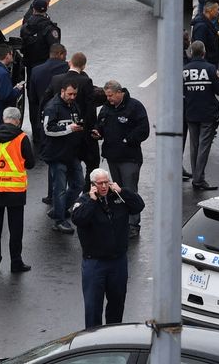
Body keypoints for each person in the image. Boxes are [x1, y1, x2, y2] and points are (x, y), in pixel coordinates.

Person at [71, 169, 145, 330]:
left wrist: (122, 191)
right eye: (100, 183)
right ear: (92, 185)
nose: (104, 186)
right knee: (93, 308)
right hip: (95, 263)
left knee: (117, 304)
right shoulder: (83, 201)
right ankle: (92, 341)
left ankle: (113, 337)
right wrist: (92, 200)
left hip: (118, 262)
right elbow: (79, 219)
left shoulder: (118, 197)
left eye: (106, 182)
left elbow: (139, 205)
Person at [0, 105, 35, 273]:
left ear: (3, 119)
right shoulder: (22, 138)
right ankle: (16, 262)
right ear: (18, 121)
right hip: (15, 191)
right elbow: (31, 163)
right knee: (15, 229)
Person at [96, 81, 149, 232]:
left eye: (111, 95)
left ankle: (133, 225)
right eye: (107, 96)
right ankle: (121, 221)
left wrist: (128, 139)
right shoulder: (107, 107)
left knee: (129, 190)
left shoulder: (134, 107)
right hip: (112, 157)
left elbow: (143, 129)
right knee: (116, 191)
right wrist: (97, 132)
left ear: (119, 92)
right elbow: (100, 123)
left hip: (129, 158)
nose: (108, 99)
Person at [42, 81, 87, 232]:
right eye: (70, 94)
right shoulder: (52, 107)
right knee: (60, 188)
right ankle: (59, 220)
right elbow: (48, 130)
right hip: (57, 155)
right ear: (62, 91)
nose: (72, 97)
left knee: (79, 184)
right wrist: (69, 128)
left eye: (75, 94)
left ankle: (58, 210)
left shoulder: (73, 105)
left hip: (72, 153)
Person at [182, 40, 219, 191]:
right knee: (203, 147)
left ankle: (197, 176)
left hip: (191, 113)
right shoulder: (210, 69)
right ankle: (199, 179)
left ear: (191, 52)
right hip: (208, 114)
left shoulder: (184, 70)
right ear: (204, 52)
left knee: (194, 146)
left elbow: (182, 92)